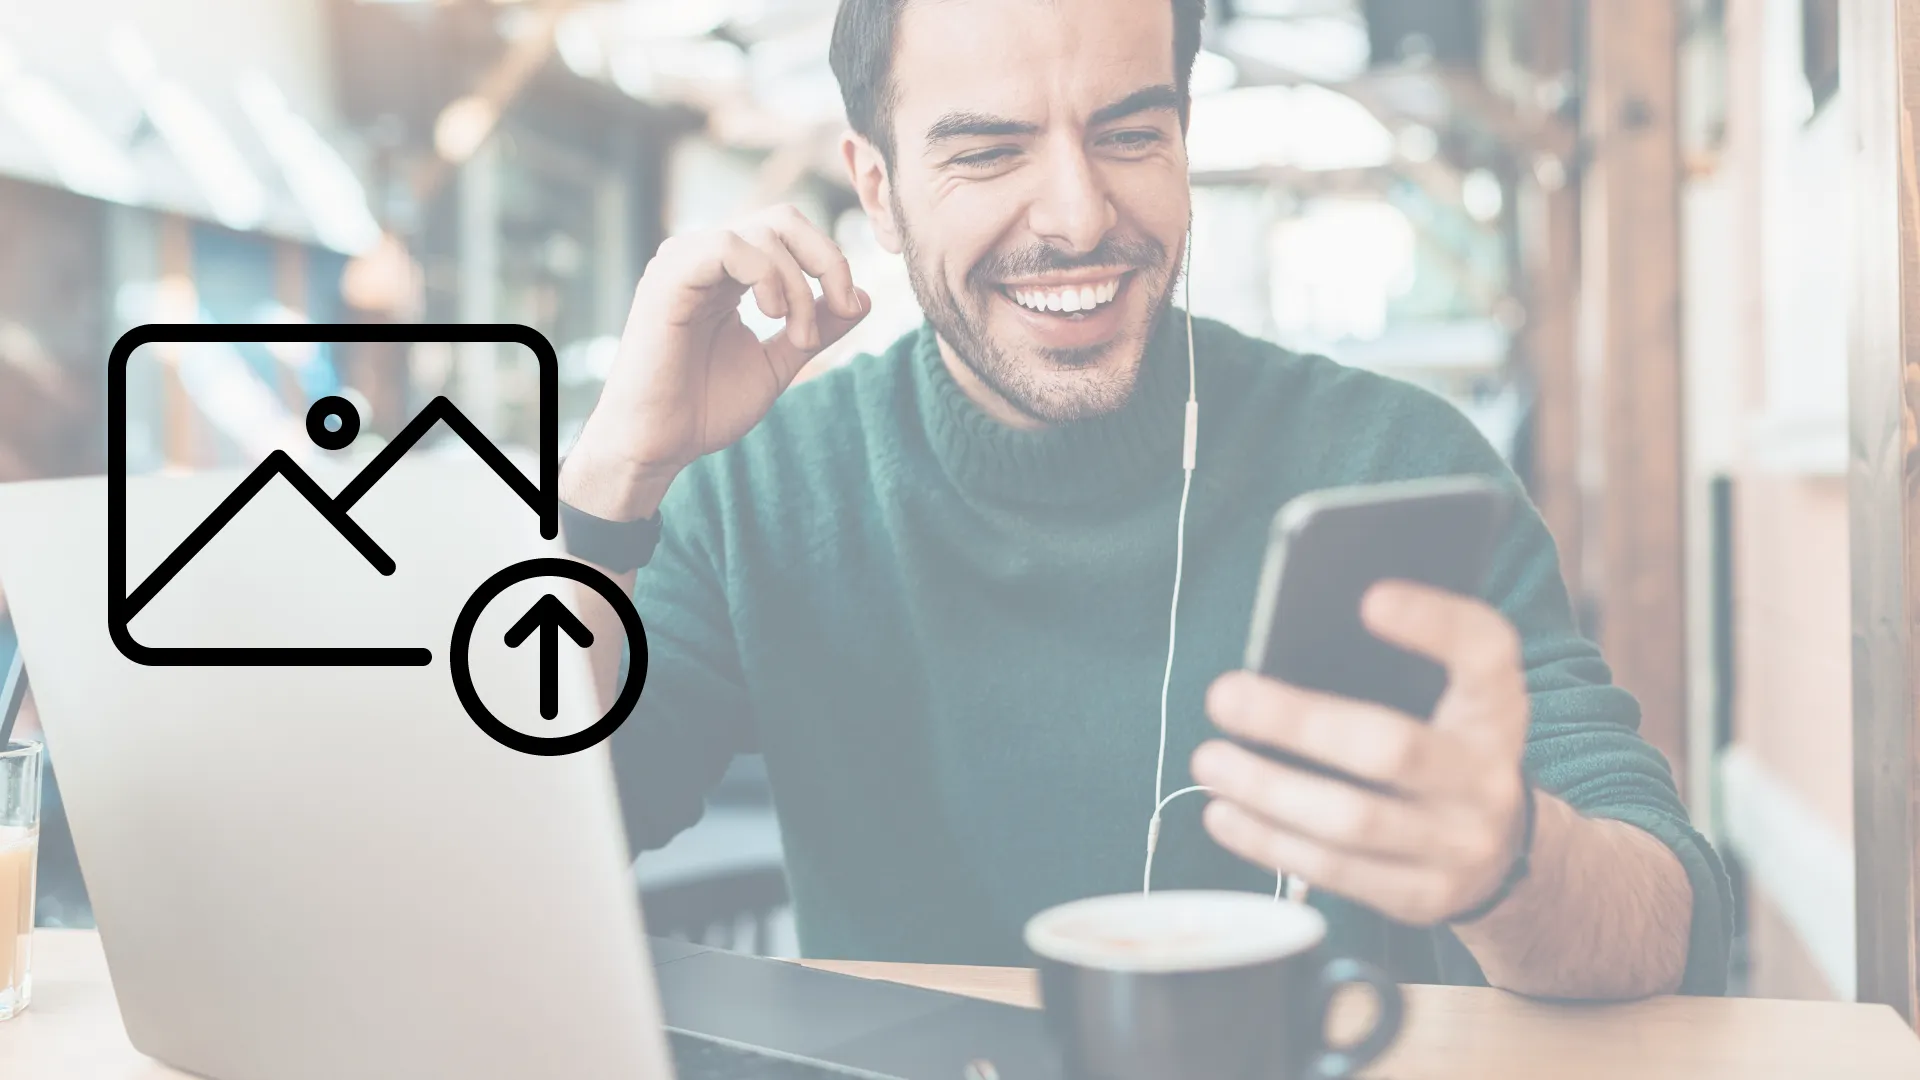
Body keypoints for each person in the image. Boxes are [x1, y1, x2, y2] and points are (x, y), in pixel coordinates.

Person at [559, 0, 1730, 1000]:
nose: (1076, 215)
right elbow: (547, 829)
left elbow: (1667, 919)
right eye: (988, 152)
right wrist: (613, 484)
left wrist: (1509, 861)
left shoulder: (1392, 457)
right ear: (878, 184)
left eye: (1129, 133)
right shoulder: (761, 486)